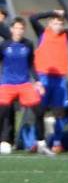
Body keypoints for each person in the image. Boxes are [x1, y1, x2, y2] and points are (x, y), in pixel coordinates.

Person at [29, 9, 68, 154]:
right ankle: (37, 141)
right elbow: (33, 18)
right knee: (39, 111)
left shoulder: (65, 35)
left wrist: (65, 14)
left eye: (60, 24)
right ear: (49, 24)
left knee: (59, 112)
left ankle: (56, 142)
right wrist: (51, 12)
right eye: (55, 23)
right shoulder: (43, 33)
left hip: (59, 79)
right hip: (43, 77)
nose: (58, 26)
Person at [0, 17, 46, 155]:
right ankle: (3, 141)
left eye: (21, 28)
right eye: (17, 28)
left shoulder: (28, 44)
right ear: (11, 29)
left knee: (39, 111)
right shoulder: (4, 45)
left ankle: (41, 143)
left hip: (24, 84)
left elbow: (31, 64)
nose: (19, 31)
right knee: (1, 113)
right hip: (7, 84)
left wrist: (37, 81)